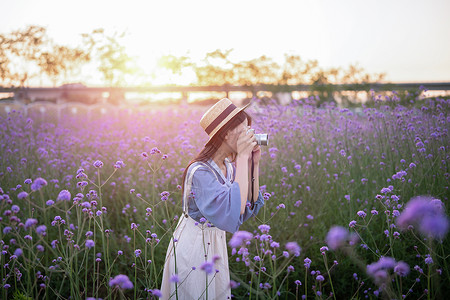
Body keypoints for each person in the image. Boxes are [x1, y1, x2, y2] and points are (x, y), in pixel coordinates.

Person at [160, 98, 265, 299]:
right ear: (225, 134)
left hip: (215, 245)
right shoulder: (199, 172)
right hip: (194, 246)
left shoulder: (230, 167)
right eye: (244, 131)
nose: (250, 136)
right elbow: (232, 212)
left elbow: (248, 204)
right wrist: (242, 158)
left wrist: (253, 163)